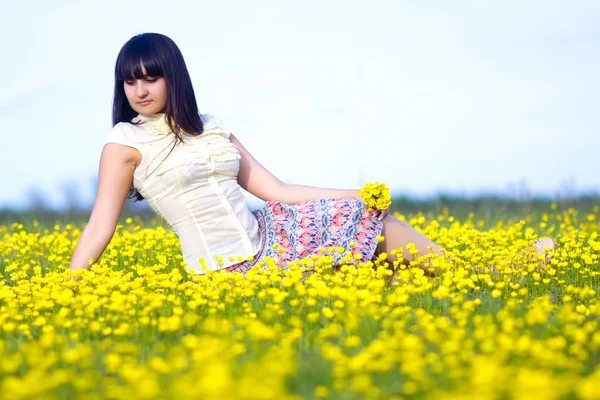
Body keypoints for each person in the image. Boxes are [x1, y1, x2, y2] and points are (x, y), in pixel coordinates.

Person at [67, 33, 553, 282]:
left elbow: (275, 190)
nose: (139, 89)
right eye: (130, 81)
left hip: (266, 243)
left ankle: (479, 276)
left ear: (173, 77)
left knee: (366, 218)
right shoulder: (124, 144)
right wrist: (65, 288)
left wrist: (358, 194)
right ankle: (480, 277)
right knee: (357, 258)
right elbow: (99, 227)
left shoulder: (211, 129)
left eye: (150, 77)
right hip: (226, 272)